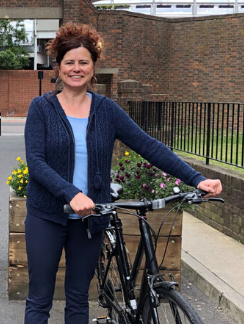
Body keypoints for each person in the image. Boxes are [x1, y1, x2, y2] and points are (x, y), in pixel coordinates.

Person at [23, 22, 222, 323]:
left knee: (78, 299)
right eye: (70, 62)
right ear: (59, 66)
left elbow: (149, 146)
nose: (76, 68)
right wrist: (71, 193)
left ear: (93, 67)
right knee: (39, 299)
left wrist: (196, 178)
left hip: (91, 219)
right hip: (46, 216)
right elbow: (36, 163)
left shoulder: (107, 110)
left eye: (83, 62)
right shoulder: (41, 108)